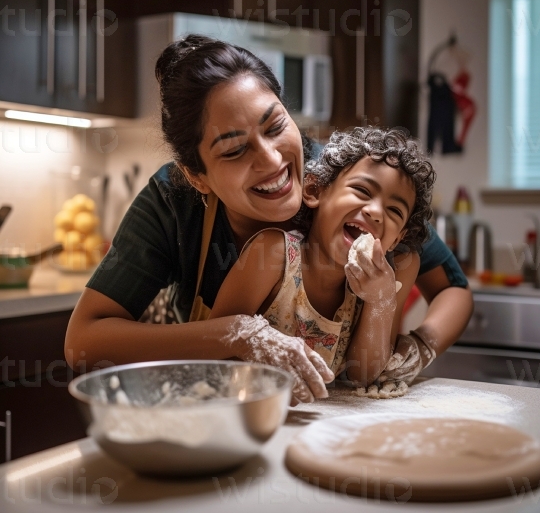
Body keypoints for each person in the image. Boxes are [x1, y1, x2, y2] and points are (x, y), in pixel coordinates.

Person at [65, 34, 473, 404]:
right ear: (197, 176)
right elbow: (84, 340)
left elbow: (453, 289)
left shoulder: (338, 180)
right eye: (234, 150)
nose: (273, 161)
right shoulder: (173, 200)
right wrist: (238, 333)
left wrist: (417, 346)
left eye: (275, 125)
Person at [210, 126, 435, 388]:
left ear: (396, 239)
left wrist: (380, 302)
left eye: (394, 210)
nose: (375, 212)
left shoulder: (384, 282)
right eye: (362, 191)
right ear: (315, 191)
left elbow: (363, 374)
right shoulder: (273, 254)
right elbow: (215, 345)